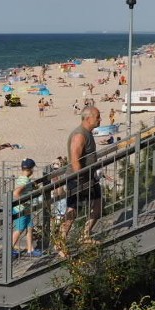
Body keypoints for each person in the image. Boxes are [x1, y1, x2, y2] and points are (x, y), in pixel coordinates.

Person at [58, 106, 103, 255]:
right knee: (72, 211)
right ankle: (60, 244)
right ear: (88, 118)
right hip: (78, 179)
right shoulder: (79, 135)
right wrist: (81, 179)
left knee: (98, 204)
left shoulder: (88, 133)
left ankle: (85, 235)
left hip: (89, 177)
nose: (100, 119)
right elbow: (75, 159)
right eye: (97, 117)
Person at [11, 159, 41, 257]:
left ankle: (30, 249)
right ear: (30, 169)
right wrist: (23, 201)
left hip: (26, 209)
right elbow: (16, 193)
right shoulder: (25, 181)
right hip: (21, 209)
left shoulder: (23, 178)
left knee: (29, 227)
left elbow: (25, 189)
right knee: (19, 230)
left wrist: (33, 186)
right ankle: (9, 249)